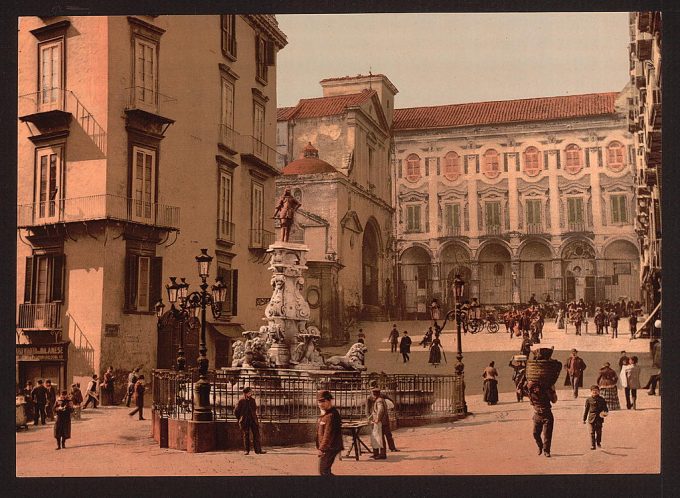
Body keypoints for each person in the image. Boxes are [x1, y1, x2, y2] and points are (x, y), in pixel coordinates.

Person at [527, 380, 558, 457]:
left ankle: (546, 451)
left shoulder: (546, 392)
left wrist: (553, 391)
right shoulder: (532, 394)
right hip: (537, 416)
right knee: (535, 433)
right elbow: (531, 403)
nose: (535, 389)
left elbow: (554, 400)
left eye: (537, 387)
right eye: (534, 388)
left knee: (547, 434)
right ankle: (540, 446)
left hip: (547, 415)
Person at [316, 390, 343, 476]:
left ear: (329, 401)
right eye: (319, 402)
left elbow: (328, 434)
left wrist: (322, 449)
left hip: (330, 447)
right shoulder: (326, 414)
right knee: (325, 471)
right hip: (329, 447)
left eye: (323, 401)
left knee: (323, 470)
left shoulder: (331, 415)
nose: (321, 404)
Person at [234, 387, 266, 455]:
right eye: (249, 392)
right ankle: (246, 450)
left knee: (256, 435)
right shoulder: (241, 401)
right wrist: (240, 418)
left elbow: (254, 409)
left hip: (253, 420)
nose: (251, 394)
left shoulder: (252, 400)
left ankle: (258, 450)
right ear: (245, 393)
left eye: (251, 392)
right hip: (245, 420)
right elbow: (236, 411)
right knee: (246, 435)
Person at [367, 387, 399, 452]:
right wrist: (369, 417)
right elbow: (368, 409)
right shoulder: (374, 397)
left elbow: (381, 409)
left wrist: (376, 419)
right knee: (383, 436)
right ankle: (383, 451)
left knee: (381, 436)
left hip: (380, 420)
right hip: (382, 419)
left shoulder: (379, 398)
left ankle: (383, 452)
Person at [583, 385, 609, 450]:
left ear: (599, 392)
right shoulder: (588, 400)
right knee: (592, 432)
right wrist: (584, 419)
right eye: (593, 391)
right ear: (591, 392)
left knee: (599, 432)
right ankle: (593, 445)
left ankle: (598, 442)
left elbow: (605, 409)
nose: (595, 392)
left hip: (599, 418)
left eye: (596, 391)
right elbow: (586, 409)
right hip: (591, 418)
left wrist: (604, 413)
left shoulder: (602, 399)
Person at [369, 387, 389, 460]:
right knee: (378, 437)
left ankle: (382, 454)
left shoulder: (379, 400)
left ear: (375, 394)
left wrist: (377, 419)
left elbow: (380, 410)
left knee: (380, 438)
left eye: (373, 394)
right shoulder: (379, 399)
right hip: (381, 421)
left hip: (380, 422)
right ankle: (377, 453)